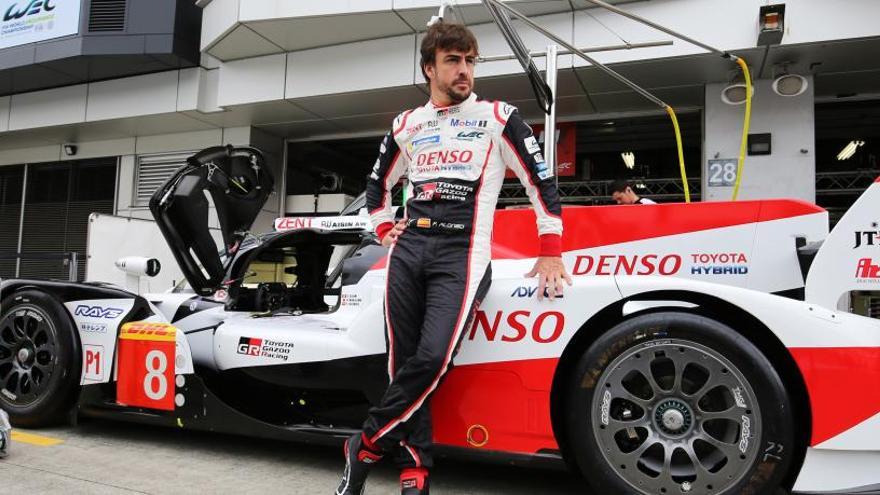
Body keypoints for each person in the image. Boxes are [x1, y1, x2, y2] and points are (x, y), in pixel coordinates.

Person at [336, 21, 571, 495]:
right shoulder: (407, 124)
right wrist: (384, 227)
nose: (464, 70)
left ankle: (363, 444)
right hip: (407, 252)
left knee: (432, 358)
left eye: (470, 61)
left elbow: (540, 183)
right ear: (430, 68)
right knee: (401, 363)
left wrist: (551, 248)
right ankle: (416, 465)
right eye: (453, 61)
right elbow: (377, 186)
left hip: (462, 252)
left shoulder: (499, 116)